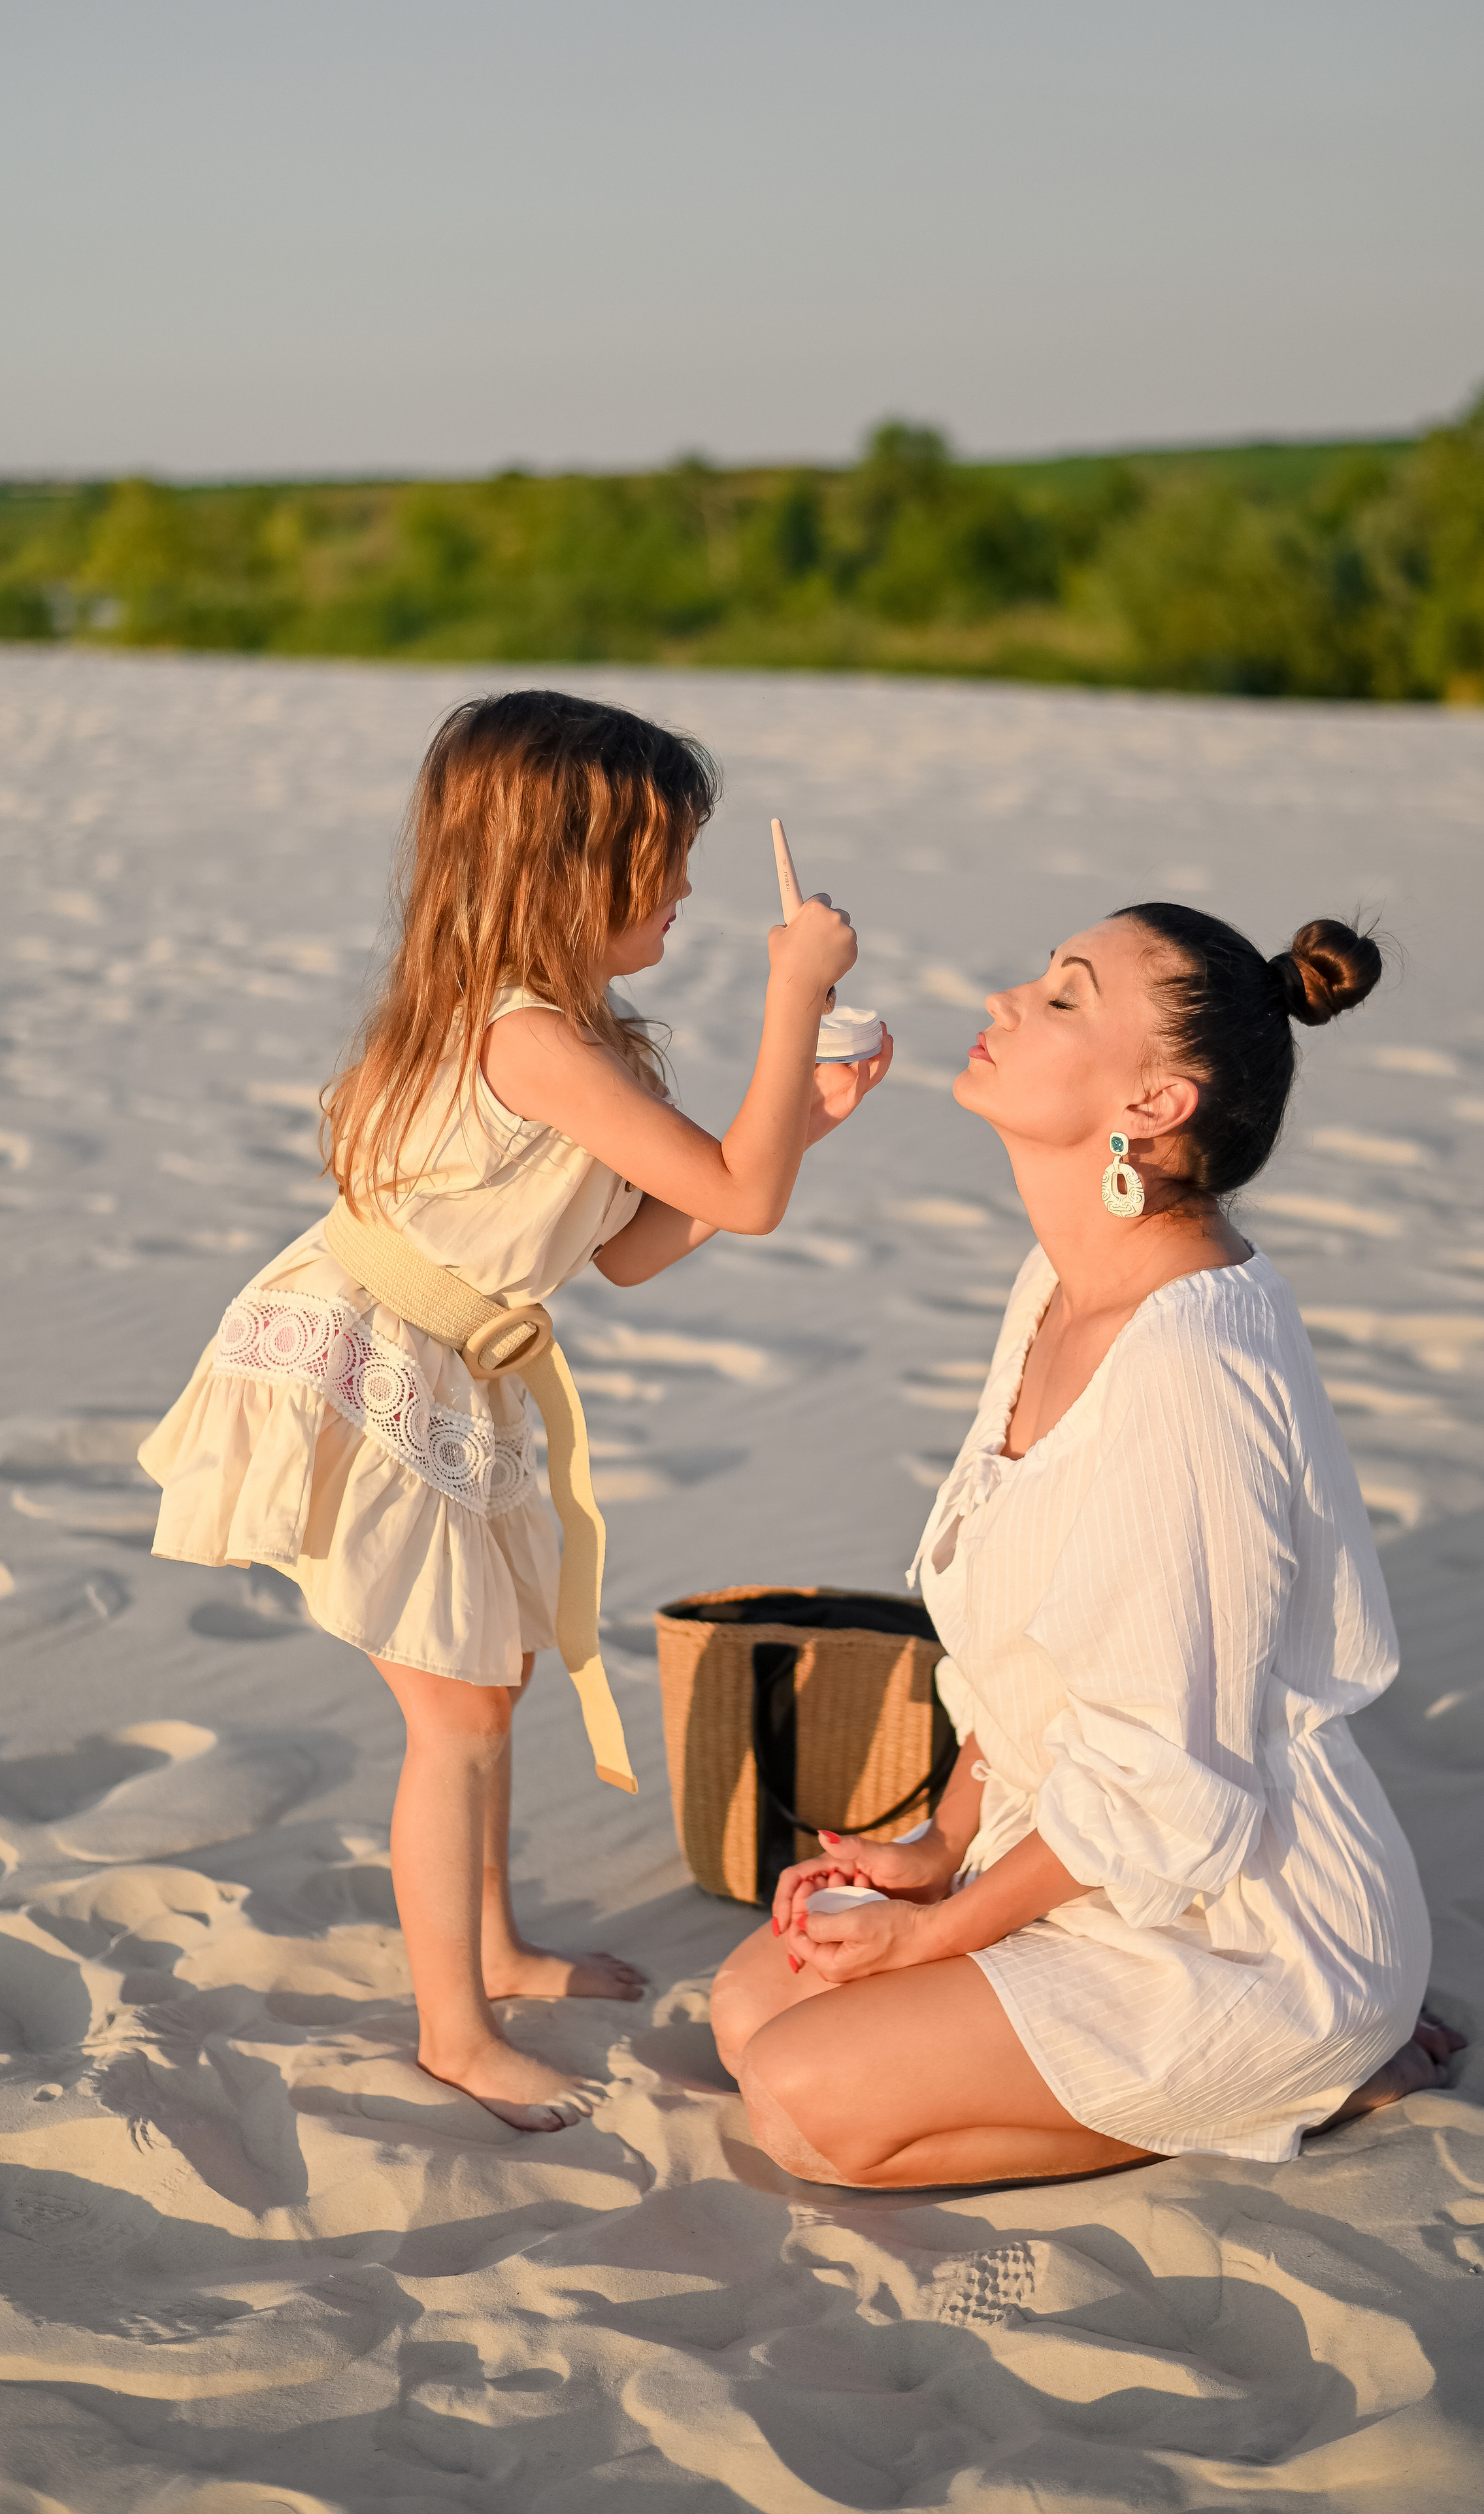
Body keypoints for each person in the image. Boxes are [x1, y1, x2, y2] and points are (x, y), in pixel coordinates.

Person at [139, 691, 889, 2130]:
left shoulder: (573, 1034)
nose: (681, 892)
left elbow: (632, 1243)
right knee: (459, 1714)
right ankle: (452, 2031)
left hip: (453, 1369)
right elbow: (741, 1196)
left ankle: (488, 1946)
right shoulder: (531, 1039)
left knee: (490, 1684)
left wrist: (810, 1112)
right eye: (658, 862)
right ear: (565, 875)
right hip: (374, 1363)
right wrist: (793, 994)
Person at [712, 902, 1462, 2188]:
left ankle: (1324, 2070)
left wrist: (944, 1929)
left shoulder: (1187, 1367)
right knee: (749, 2005)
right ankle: (1207, 2065)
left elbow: (1166, 1775)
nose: (1006, 1001)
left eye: (1062, 997)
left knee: (804, 2101)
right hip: (1080, 1841)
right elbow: (1032, 1650)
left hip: (1241, 1919)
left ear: (1157, 1100)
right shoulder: (1061, 1280)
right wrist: (939, 1844)